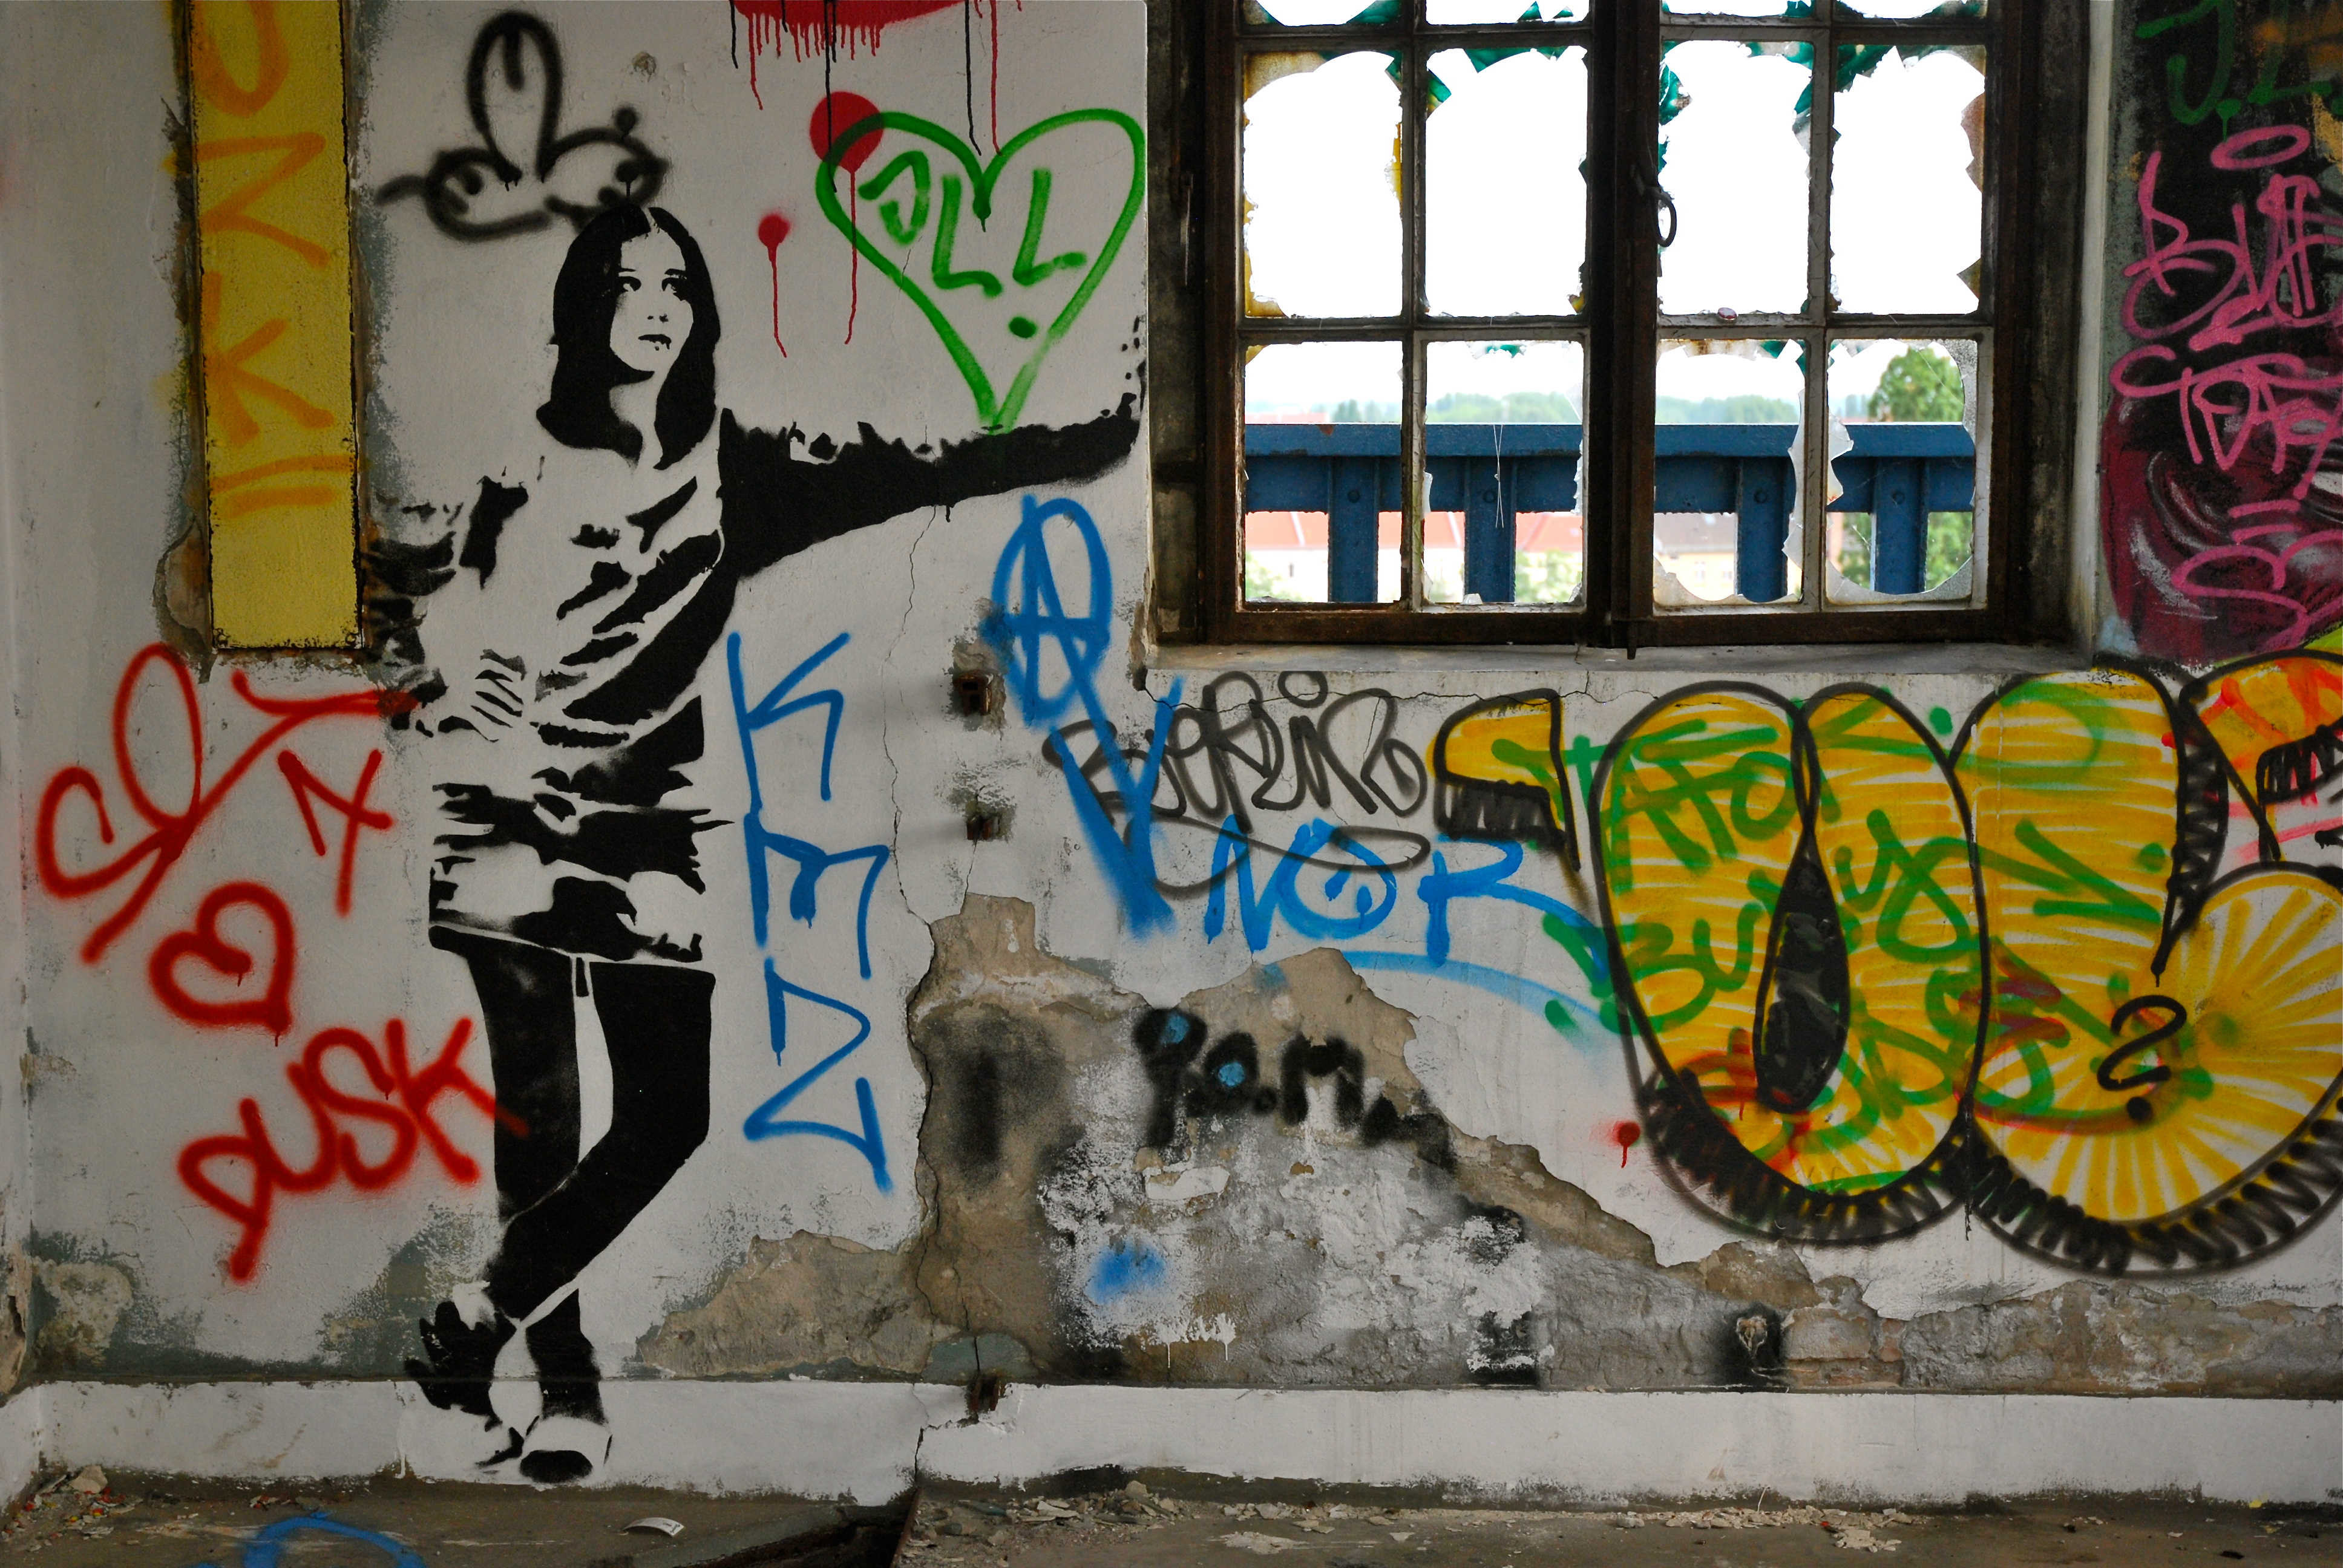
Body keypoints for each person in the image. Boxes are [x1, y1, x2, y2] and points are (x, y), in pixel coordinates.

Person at [381, 203, 1136, 1482]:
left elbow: (917, 468)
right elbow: (410, 616)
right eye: (628, 285)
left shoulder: (734, 476)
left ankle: (479, 1317)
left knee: (666, 1114)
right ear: (584, 308)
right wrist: (448, 675)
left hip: (644, 821)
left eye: (675, 284)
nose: (655, 308)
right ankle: (566, 1394)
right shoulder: (514, 475)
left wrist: (1089, 440)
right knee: (542, 1121)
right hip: (505, 814)